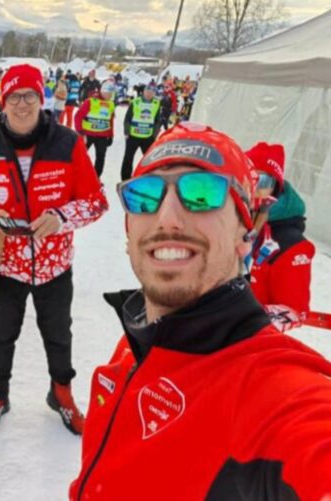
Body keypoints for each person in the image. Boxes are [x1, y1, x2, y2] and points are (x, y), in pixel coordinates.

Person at [69, 122, 331, 500]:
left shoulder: (274, 393)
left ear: (247, 231)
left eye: (202, 193)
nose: (167, 217)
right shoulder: (136, 344)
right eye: (145, 195)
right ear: (129, 231)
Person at [0, 64, 108, 433]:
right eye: (13, 96)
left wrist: (61, 217)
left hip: (55, 267)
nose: (22, 104)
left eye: (29, 96)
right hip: (4, 266)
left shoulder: (68, 143)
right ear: (2, 101)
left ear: (41, 99)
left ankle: (62, 394)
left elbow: (96, 201)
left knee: (59, 335)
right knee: (2, 335)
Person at [245, 142, 315, 325]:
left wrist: (240, 321)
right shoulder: (226, 218)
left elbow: (292, 311)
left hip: (244, 337)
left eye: (263, 181)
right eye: (248, 177)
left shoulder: (290, 245)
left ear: (276, 188)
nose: (253, 187)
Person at [75, 80, 116, 178]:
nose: (109, 96)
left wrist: (111, 136)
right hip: (88, 134)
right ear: (102, 91)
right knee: (80, 156)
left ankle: (96, 178)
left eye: (111, 94)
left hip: (103, 136)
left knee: (101, 157)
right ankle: (77, 176)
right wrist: (80, 132)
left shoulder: (111, 104)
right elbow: (78, 116)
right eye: (108, 93)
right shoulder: (90, 101)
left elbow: (110, 121)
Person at [120, 84, 161, 180]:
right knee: (128, 158)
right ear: (143, 92)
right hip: (133, 136)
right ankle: (125, 179)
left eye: (152, 92)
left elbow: (157, 120)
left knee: (150, 159)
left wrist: (154, 135)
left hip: (148, 137)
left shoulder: (156, 103)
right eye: (147, 92)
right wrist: (127, 132)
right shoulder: (135, 102)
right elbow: (127, 118)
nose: (149, 94)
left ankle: (149, 178)